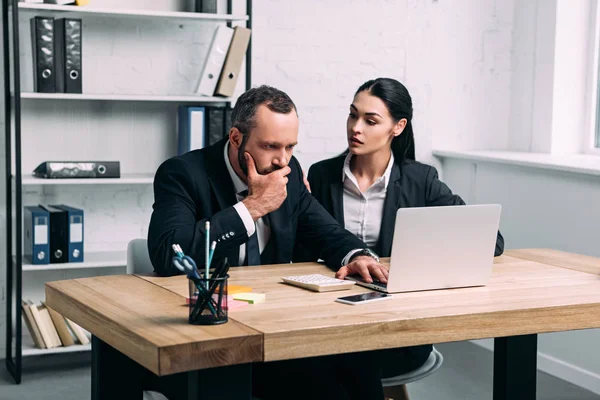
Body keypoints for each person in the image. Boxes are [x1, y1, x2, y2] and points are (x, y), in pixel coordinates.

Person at [147, 85, 391, 399]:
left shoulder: (289, 171)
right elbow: (169, 254)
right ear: (236, 138)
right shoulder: (183, 173)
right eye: (271, 146)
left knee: (359, 359)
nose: (282, 160)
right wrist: (253, 206)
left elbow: (322, 228)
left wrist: (355, 254)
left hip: (274, 328)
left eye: (290, 147)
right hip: (206, 335)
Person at [295, 77, 505, 397]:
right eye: (353, 115)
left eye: (370, 120)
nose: (356, 127)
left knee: (349, 359)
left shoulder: (421, 179)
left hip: (397, 323)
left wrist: (426, 252)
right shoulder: (321, 175)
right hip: (332, 313)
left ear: (398, 126)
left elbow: (491, 240)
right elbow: (303, 246)